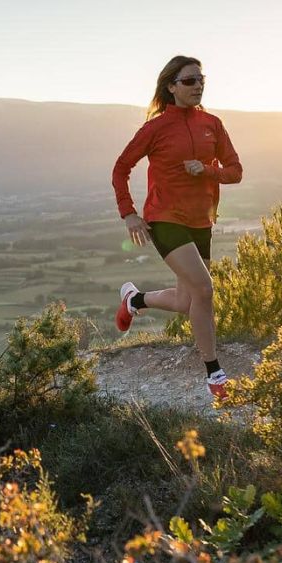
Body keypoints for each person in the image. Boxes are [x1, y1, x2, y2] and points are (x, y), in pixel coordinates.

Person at [111, 55, 244, 400]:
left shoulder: (212, 124)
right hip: (164, 217)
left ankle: (135, 299)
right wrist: (129, 213)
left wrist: (207, 170)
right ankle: (214, 373)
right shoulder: (155, 128)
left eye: (201, 80)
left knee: (188, 300)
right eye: (189, 81)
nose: (198, 85)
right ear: (171, 87)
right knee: (204, 290)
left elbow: (235, 171)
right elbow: (120, 168)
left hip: (202, 220)